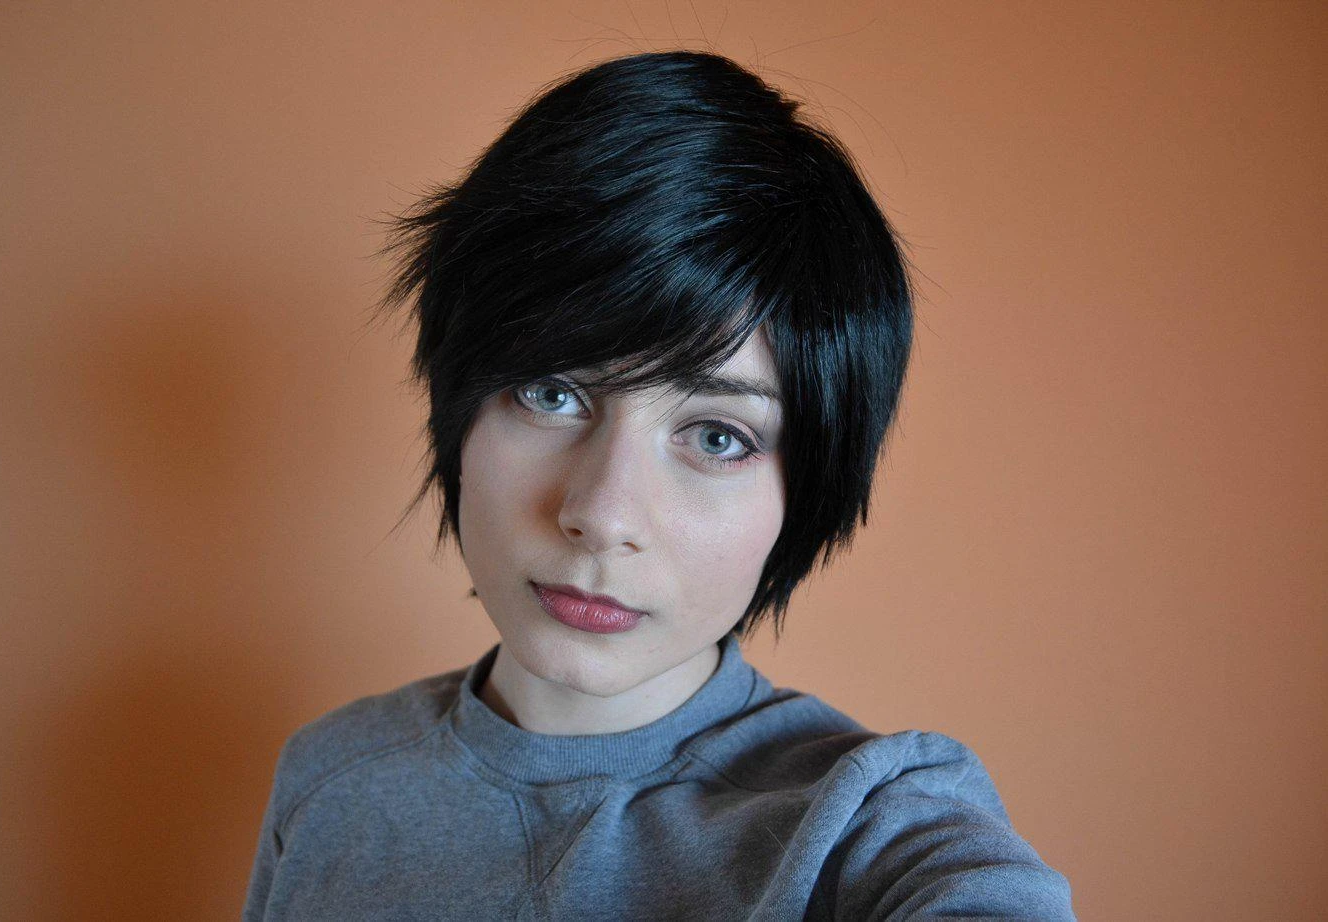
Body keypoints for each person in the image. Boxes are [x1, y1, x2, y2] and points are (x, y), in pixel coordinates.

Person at [242, 50, 1076, 920]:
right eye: (551, 393)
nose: (601, 516)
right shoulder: (330, 782)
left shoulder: (864, 825)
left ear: (805, 495)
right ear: (461, 408)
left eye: (718, 437)